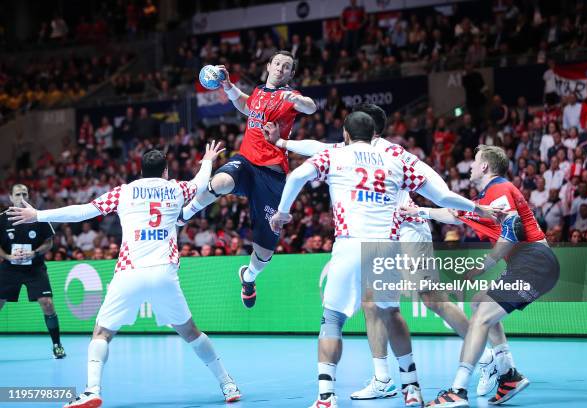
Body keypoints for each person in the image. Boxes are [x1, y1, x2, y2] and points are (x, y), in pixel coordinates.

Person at [268, 104, 501, 399]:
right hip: (382, 234)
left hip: (408, 226)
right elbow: (317, 147)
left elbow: (438, 188)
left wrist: (442, 210)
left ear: (364, 129)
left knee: (430, 298)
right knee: (372, 304)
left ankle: (484, 357)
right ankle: (384, 378)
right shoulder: (351, 148)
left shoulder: (391, 153)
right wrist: (282, 142)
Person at [8, 144, 241, 408]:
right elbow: (200, 184)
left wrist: (38, 214)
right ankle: (227, 383)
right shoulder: (176, 188)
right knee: (190, 332)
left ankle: (92, 390)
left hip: (129, 273)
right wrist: (208, 160)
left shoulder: (123, 192)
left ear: (140, 171)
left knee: (102, 333)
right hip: (164, 273)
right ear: (165, 171)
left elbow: (83, 211)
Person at [413, 145, 560, 407]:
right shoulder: (483, 201)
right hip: (528, 266)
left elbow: (513, 228)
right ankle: (508, 374)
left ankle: (458, 390)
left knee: (480, 319)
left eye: (474, 161)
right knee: (480, 302)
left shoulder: (499, 189)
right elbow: (454, 215)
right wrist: (418, 212)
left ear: (484, 167)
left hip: (534, 263)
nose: (469, 165)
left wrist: (483, 266)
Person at [179, 51, 316, 309]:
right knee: (220, 182)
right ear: (269, 66)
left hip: (272, 176)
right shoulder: (258, 92)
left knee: (264, 253)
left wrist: (296, 98)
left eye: (287, 66)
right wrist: (229, 86)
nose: (281, 68)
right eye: (277, 63)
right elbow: (245, 106)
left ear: (291, 74)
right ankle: (185, 214)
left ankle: (248, 277)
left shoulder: (291, 97)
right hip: (246, 161)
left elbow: (311, 106)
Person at [0, 184, 64, 359]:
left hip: (34, 267)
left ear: (29, 196)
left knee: (47, 303)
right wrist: (7, 257)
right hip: (9, 268)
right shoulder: (2, 219)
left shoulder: (39, 217)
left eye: (24, 194)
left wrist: (34, 252)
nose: (21, 197)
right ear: (11, 197)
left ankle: (57, 344)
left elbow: (49, 242)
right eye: (17, 194)